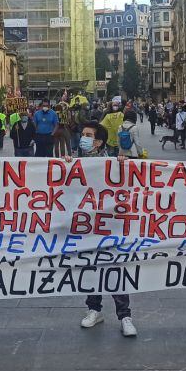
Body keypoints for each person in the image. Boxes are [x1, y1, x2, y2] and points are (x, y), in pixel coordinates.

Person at [69, 121, 138, 337]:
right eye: (83, 134)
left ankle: (124, 315)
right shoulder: (75, 162)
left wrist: (123, 166)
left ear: (98, 142)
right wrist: (65, 167)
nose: (84, 138)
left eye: (88, 135)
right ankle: (94, 310)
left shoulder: (113, 162)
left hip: (109, 225)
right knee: (91, 267)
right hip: (87, 226)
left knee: (115, 268)